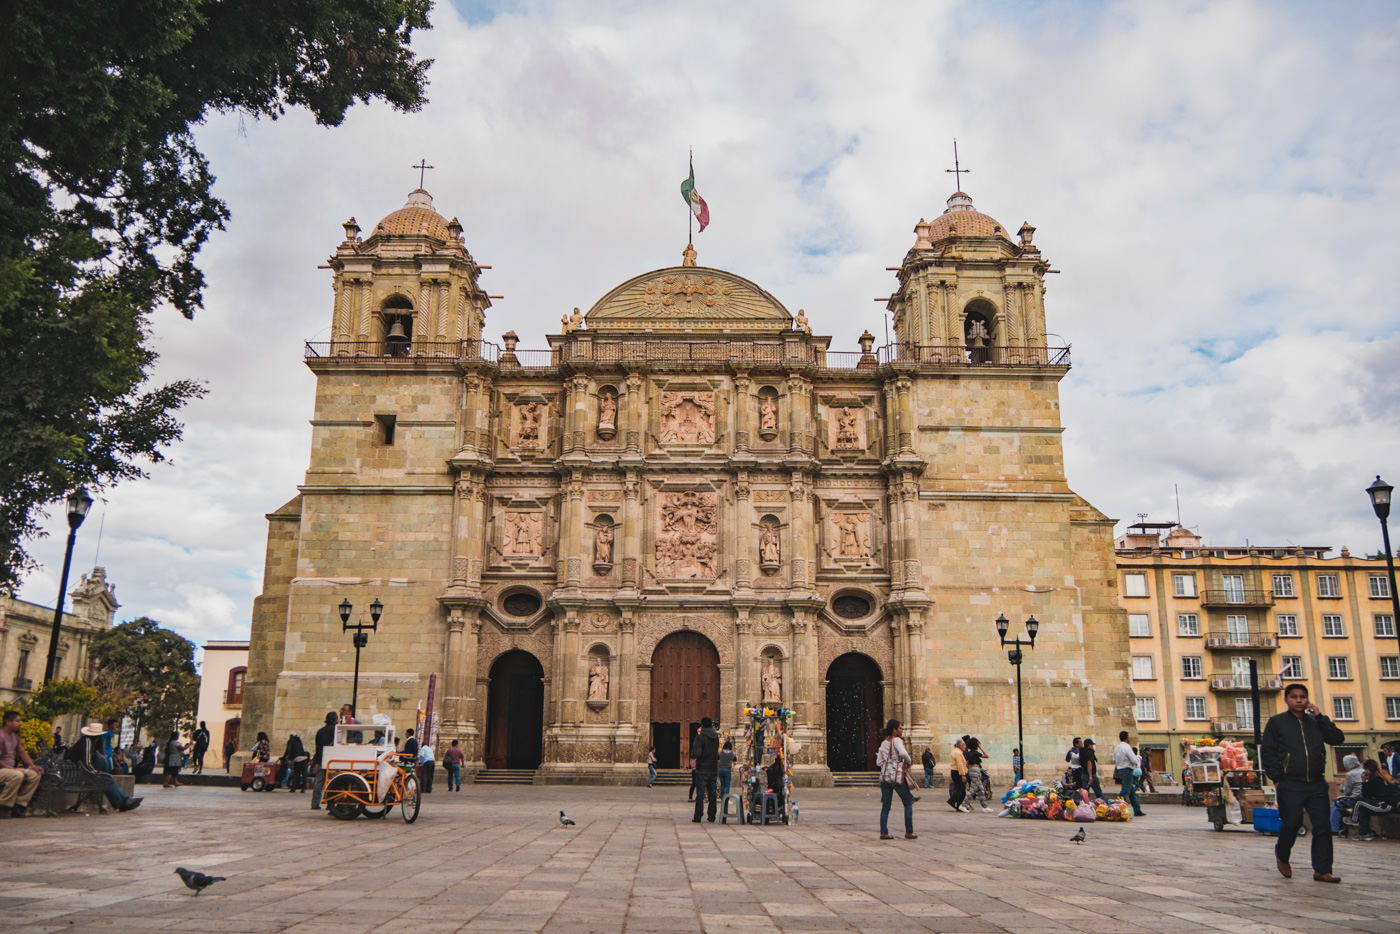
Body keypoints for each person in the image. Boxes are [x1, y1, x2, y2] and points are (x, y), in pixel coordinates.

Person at [1260, 683, 1345, 882]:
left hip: (1316, 782)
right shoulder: (1277, 722)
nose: (1299, 700)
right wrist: (1278, 778)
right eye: (1294, 697)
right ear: (1287, 699)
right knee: (1291, 823)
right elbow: (1268, 752)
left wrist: (1320, 716)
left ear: (1307, 699)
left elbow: (1337, 739)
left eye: (1302, 697)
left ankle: (1322, 869)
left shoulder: (1315, 722)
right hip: (1290, 782)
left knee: (1323, 826)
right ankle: (1282, 853)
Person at [68, 722, 142, 812]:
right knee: (105, 779)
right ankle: (123, 803)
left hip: (80, 772)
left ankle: (125, 800)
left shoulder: (88, 742)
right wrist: (95, 772)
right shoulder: (86, 742)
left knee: (106, 778)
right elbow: (87, 762)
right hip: (80, 774)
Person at [876, 719, 916, 839]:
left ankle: (884, 832)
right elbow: (903, 753)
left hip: (885, 777)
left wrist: (888, 763)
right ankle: (909, 832)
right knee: (908, 803)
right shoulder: (897, 740)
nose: (902, 730)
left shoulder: (884, 743)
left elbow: (879, 762)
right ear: (894, 730)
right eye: (900, 728)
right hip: (897, 776)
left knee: (886, 806)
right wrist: (908, 762)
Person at [0, 710, 44, 818]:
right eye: (17, 721)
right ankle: (3, 806)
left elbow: (21, 752)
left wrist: (32, 766)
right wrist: (10, 769)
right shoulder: (1, 736)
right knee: (17, 775)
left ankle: (19, 805)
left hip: (9, 770)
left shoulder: (15, 736)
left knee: (34, 775)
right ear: (8, 722)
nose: (20, 723)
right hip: (3, 769)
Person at [1350, 758, 1399, 841]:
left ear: (1367, 769)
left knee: (1359, 801)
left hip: (1385, 806)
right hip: (1391, 805)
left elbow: (1366, 795)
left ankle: (1353, 820)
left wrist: (1364, 781)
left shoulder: (1374, 780)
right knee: (1363, 809)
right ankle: (1364, 834)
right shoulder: (1383, 775)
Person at [691, 717, 720, 823]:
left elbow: (696, 754)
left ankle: (698, 816)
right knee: (712, 794)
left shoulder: (700, 737)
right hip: (713, 768)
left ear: (702, 725)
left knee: (700, 794)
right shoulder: (716, 737)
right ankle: (712, 815)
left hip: (702, 769)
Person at [1110, 732, 1143, 816]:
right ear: (1127, 738)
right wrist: (1135, 764)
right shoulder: (1127, 747)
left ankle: (1137, 809)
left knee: (1131, 791)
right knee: (1125, 790)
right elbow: (1133, 759)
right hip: (1127, 769)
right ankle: (1116, 807)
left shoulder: (1117, 747)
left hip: (1120, 769)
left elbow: (1114, 759)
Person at [310, 711, 338, 810]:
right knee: (332, 782)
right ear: (335, 720)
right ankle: (330, 804)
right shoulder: (336, 730)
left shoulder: (320, 731)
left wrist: (315, 760)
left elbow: (318, 747)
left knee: (319, 783)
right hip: (332, 760)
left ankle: (315, 803)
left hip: (320, 759)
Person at [1330, 754, 1364, 833]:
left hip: (1354, 799)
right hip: (1363, 798)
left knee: (1336, 804)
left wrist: (1342, 788)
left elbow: (1347, 792)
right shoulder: (1363, 770)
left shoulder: (1350, 774)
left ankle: (1334, 829)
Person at [963, 736, 992, 811]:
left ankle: (985, 806)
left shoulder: (969, 753)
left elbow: (966, 764)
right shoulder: (975, 753)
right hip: (975, 770)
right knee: (973, 788)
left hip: (973, 770)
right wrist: (980, 747)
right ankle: (963, 804)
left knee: (981, 789)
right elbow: (986, 755)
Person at [948, 738, 969, 813]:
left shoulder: (955, 751)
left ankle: (956, 804)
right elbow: (960, 765)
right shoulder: (958, 753)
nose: (965, 746)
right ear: (960, 745)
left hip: (955, 772)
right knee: (962, 790)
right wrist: (963, 775)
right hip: (958, 772)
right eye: (964, 745)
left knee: (958, 789)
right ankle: (957, 804)